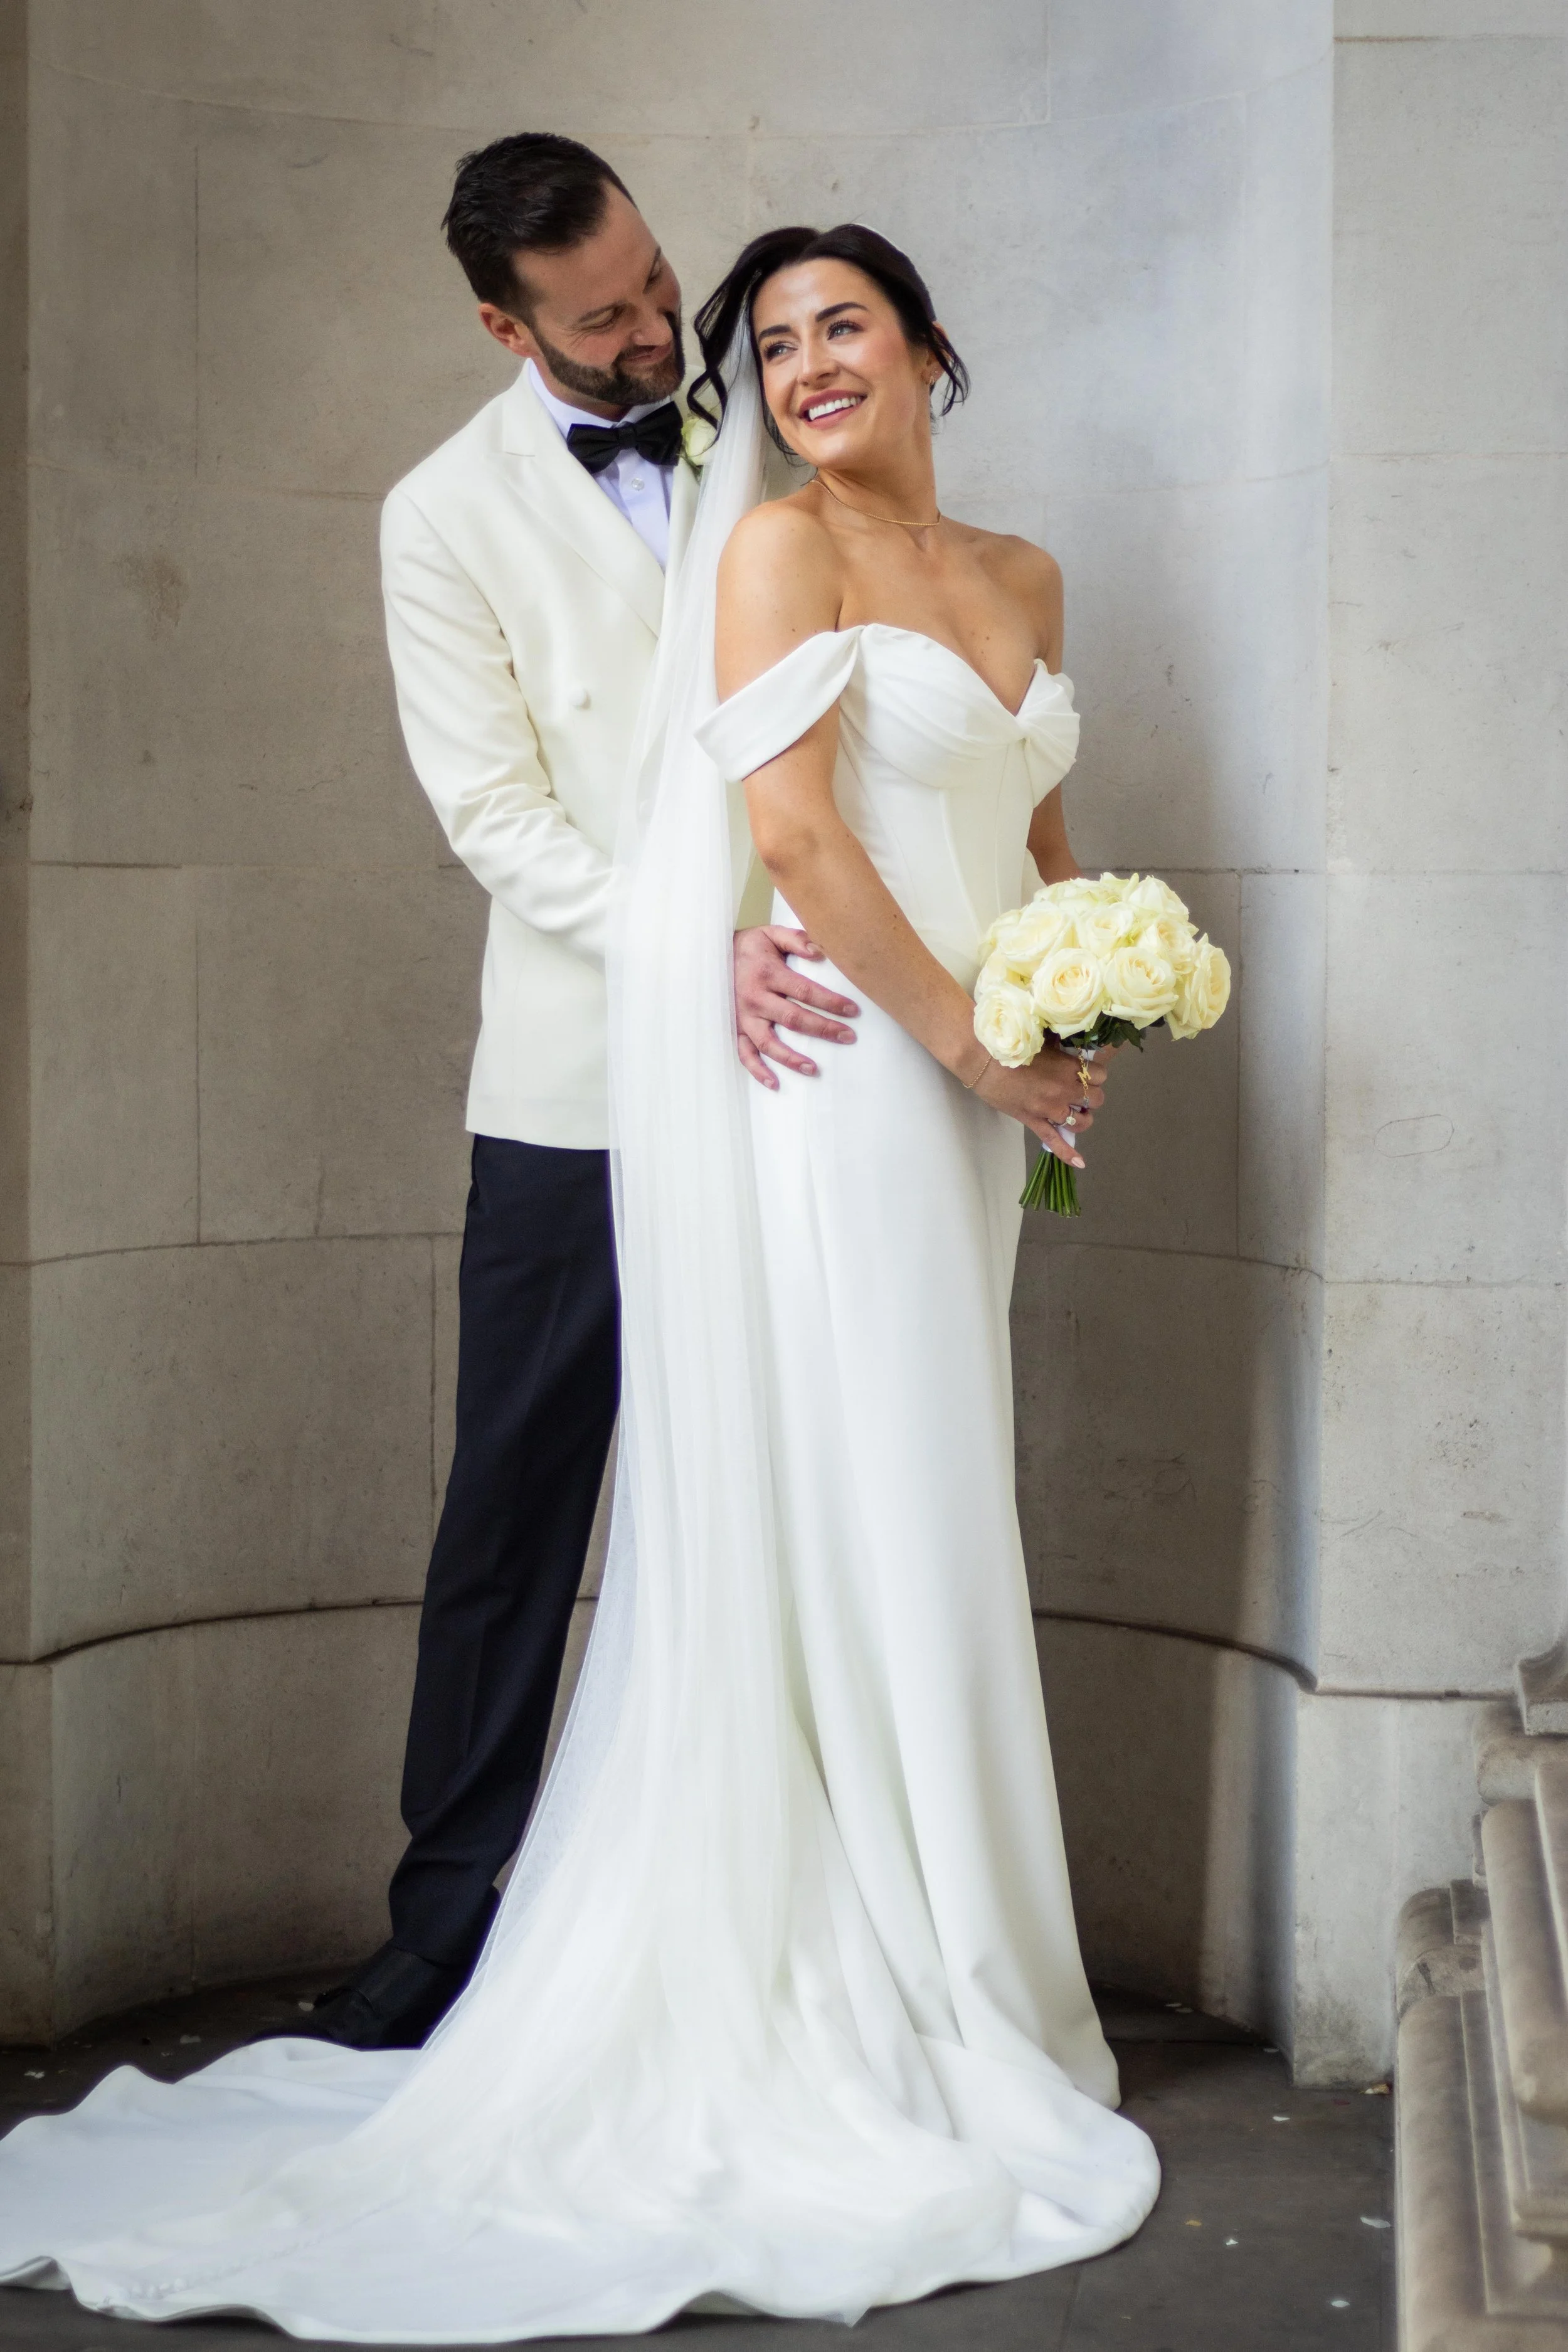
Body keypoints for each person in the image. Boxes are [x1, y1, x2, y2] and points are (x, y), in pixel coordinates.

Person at [0, 221, 1160, 2338]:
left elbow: (1038, 818)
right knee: (813, 1493)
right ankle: (860, 1964)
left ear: (925, 346)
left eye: (843, 327)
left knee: (926, 1489)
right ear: (509, 319)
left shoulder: (1024, 576)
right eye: (771, 334)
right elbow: (794, 843)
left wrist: (1094, 981)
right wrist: (971, 1037)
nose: (795, 360)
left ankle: (947, 1935)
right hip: (848, 1068)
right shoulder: (753, 551)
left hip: (973, 1094)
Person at [306, 134, 860, 2053]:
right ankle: (445, 1919)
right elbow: (494, 818)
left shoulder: (760, 420)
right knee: (517, 1506)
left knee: (790, 1480)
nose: (650, 329)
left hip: (805, 1051)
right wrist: (681, 950)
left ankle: (797, 1912)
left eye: (649, 282)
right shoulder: (436, 513)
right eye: (603, 315)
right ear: (500, 322)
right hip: (578, 1086)